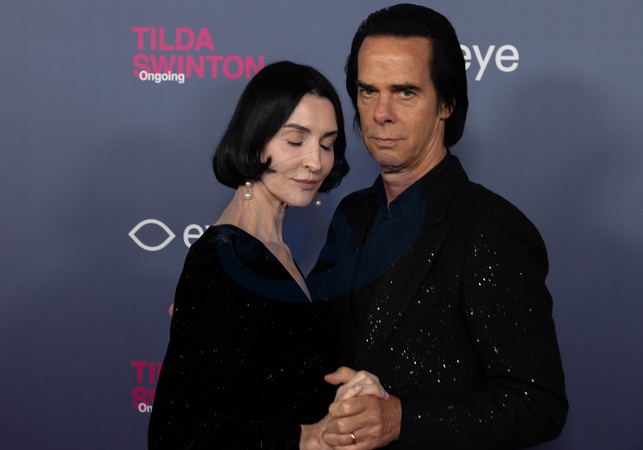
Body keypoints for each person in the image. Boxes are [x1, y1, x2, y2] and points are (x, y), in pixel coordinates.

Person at [309, 4, 568, 449]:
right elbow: (313, 339)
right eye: (368, 91)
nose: (381, 113)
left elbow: (537, 405)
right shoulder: (352, 213)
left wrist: (401, 418)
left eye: (405, 92)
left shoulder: (492, 229)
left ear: (446, 103)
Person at [148, 61, 387, 449]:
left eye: (327, 144)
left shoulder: (273, 252)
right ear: (256, 140)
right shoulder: (223, 263)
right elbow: (182, 436)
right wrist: (311, 437)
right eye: (295, 141)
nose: (315, 162)